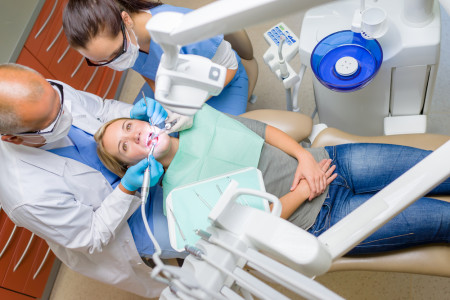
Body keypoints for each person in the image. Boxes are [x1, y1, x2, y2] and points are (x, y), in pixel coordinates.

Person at [94, 104, 450, 255]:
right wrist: (304, 190)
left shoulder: (197, 117)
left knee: (440, 167)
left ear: (141, 119)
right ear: (133, 168)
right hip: (323, 218)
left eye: (129, 127)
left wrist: (306, 157)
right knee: (442, 220)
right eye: (125, 147)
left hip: (332, 162)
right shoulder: (181, 199)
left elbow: (262, 131)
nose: (136, 137)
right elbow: (252, 226)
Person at [0, 63, 170, 298]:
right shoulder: (26, 196)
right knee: (198, 227)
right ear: (14, 139)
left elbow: (100, 108)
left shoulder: (45, 94)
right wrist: (126, 188)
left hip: (129, 168)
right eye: (51, 122)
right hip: (123, 225)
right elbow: (92, 235)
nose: (65, 115)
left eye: (59, 103)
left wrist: (130, 115)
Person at [62, 0, 250, 117]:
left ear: (126, 20)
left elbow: (230, 66)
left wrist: (191, 107)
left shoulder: (179, 27)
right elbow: (146, 69)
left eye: (115, 55)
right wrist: (164, 100)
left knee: (219, 141)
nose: (115, 62)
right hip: (176, 82)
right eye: (103, 60)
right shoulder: (128, 45)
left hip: (223, 81)